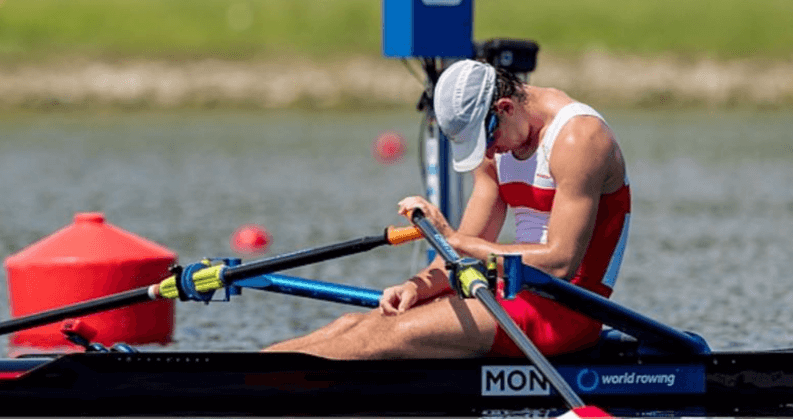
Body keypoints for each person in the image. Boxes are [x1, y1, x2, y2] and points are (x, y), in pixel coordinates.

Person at [263, 59, 630, 359]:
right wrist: (417, 286)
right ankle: (249, 373)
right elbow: (464, 245)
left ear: (504, 108)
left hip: (568, 312)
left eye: (486, 141)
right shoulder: (500, 141)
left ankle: (255, 391)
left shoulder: (579, 138)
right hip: (513, 296)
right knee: (355, 325)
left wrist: (453, 238)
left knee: (389, 335)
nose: (487, 154)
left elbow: (560, 263)